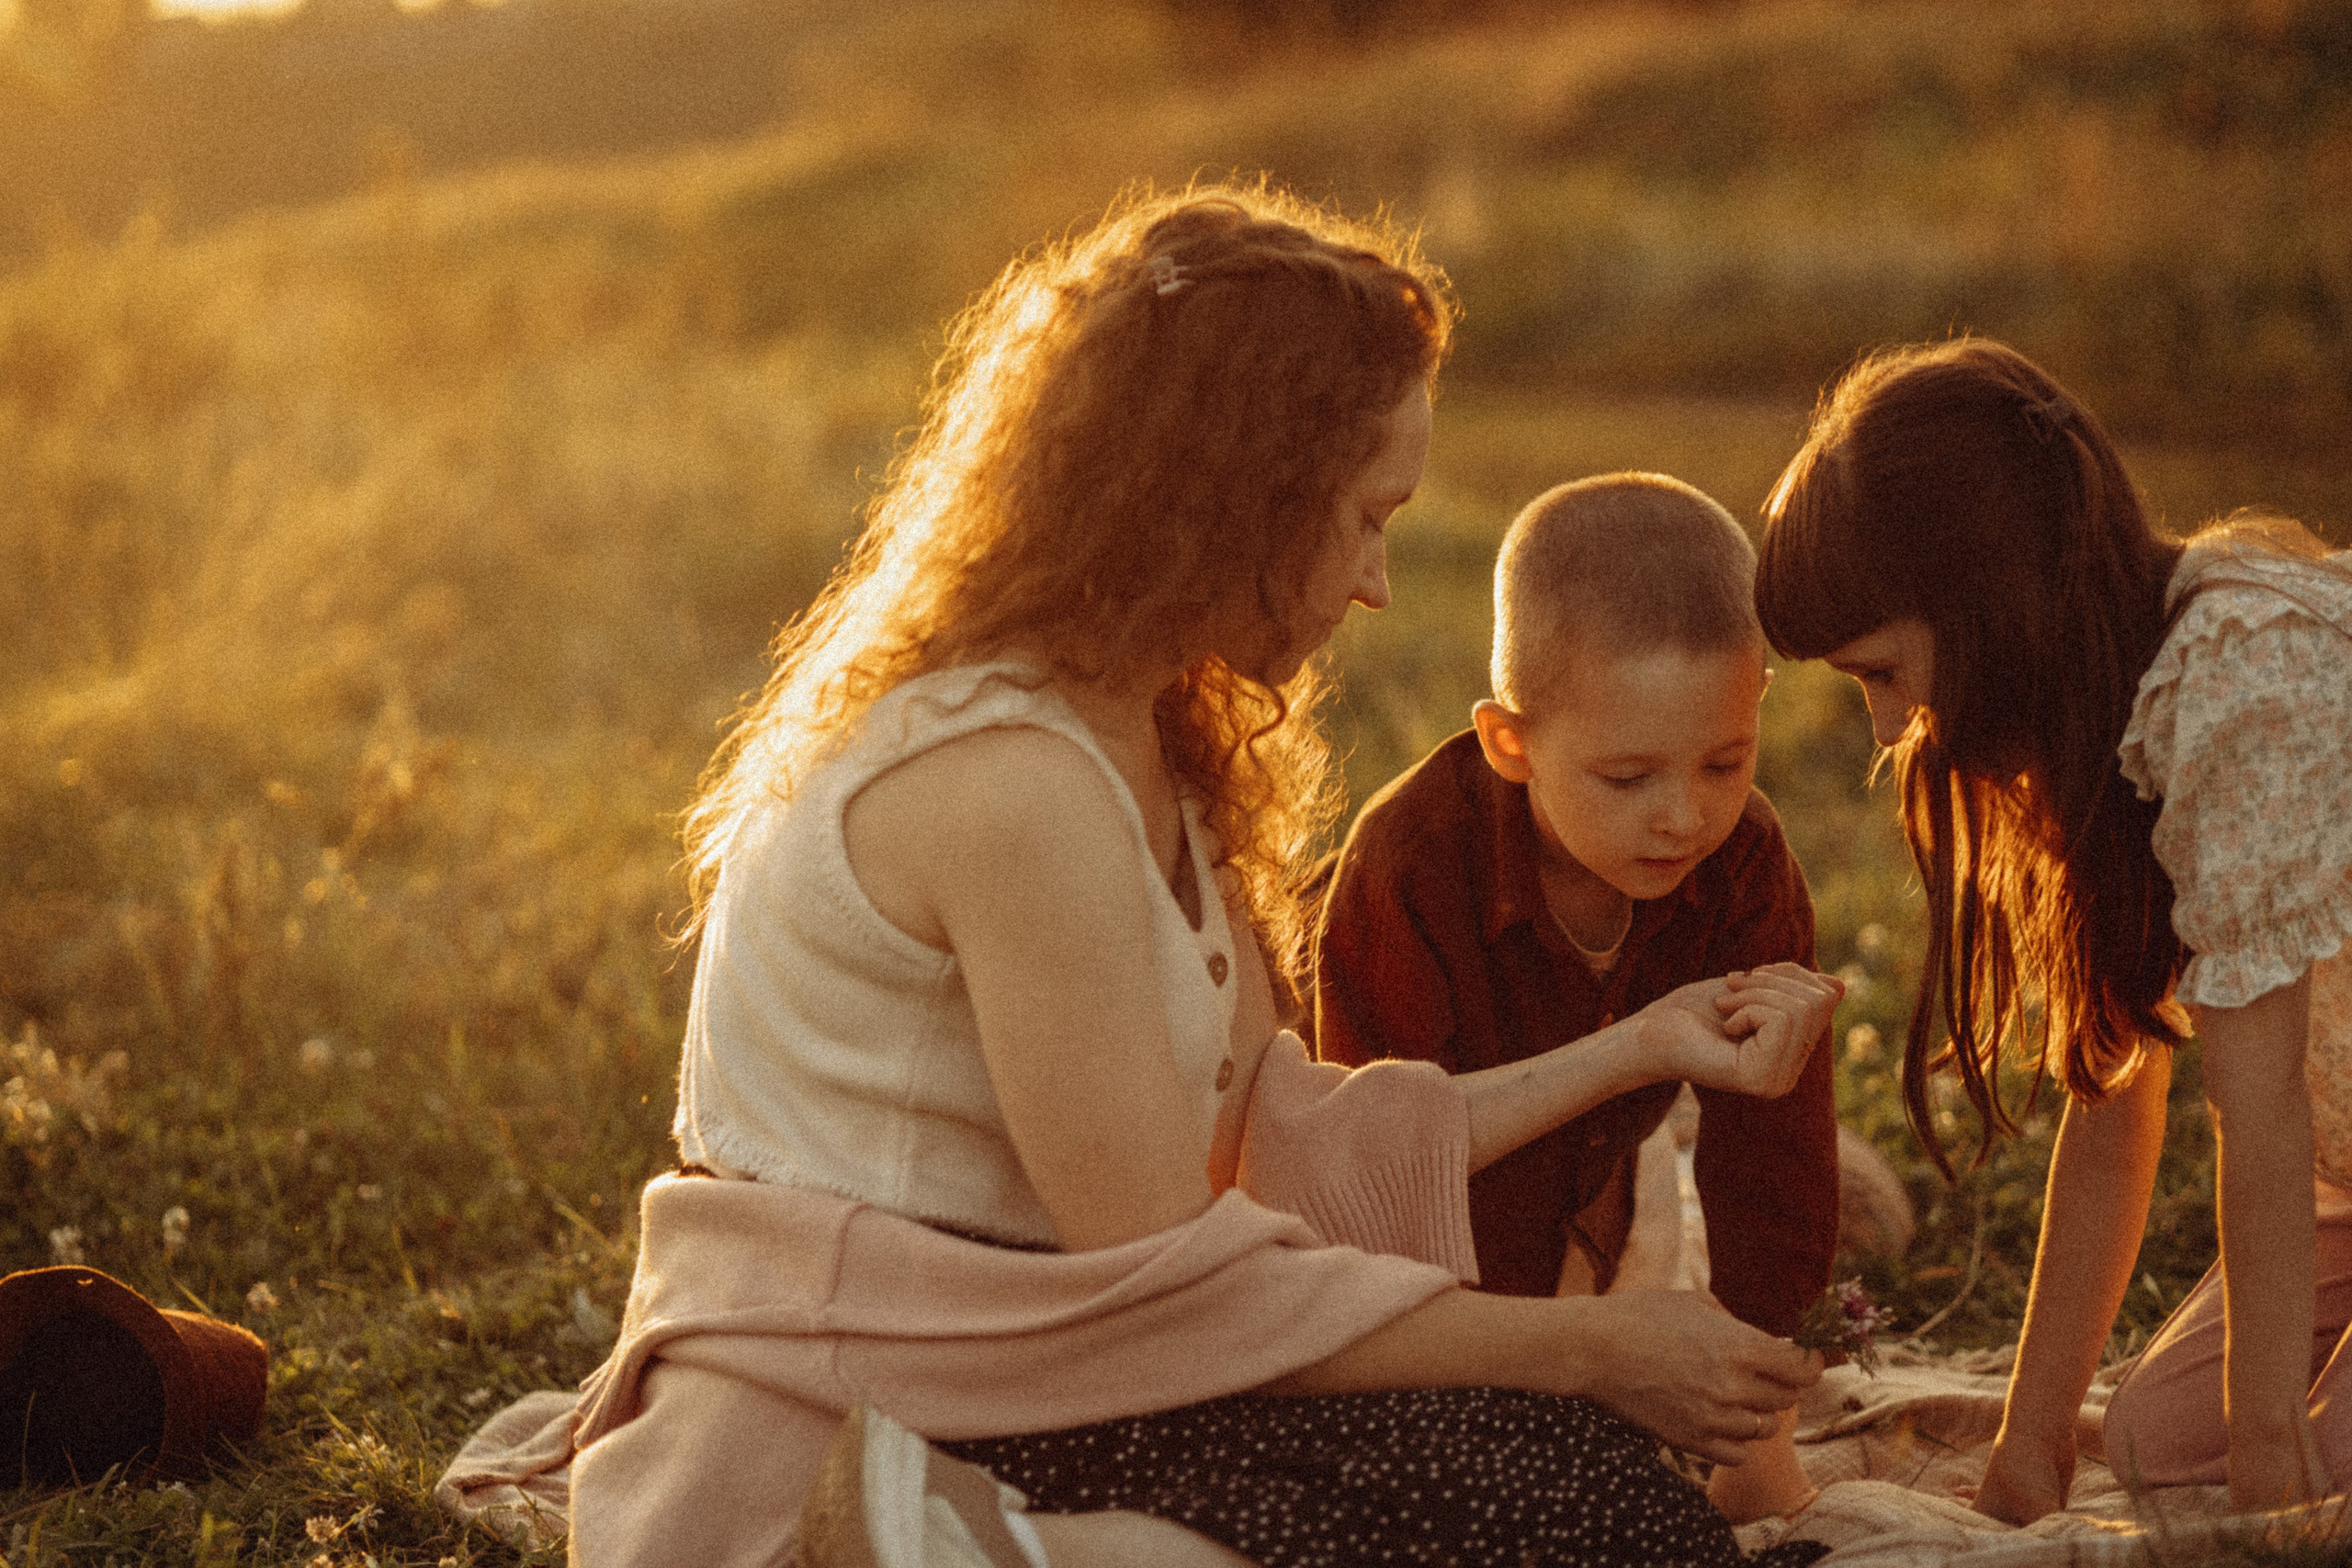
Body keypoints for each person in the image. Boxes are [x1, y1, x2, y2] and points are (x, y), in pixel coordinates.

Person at [463, 186, 1845, 1568]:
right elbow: (1170, 1285)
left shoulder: (1150, 735)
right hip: (893, 1375)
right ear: (1236, 500)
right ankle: (930, 1539)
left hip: (1054, 1352)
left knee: (1606, 1505)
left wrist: (1638, 1047)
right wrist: (1583, 1345)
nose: (1376, 582)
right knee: (1564, 1507)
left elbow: (1277, 1137)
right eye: (1365, 519)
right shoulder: (1010, 786)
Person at [1751, 336, 2352, 1524]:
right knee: (2150, 1444)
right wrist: (2030, 1449)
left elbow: (2263, 1114)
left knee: (2303, 1469)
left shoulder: (2243, 686)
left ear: (1988, 607)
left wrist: (2271, 1463)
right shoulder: (2118, 713)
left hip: (2309, 1155)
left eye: (1882, 672)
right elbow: (2112, 1110)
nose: (1885, 729)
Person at [1313, 472, 1841, 1525]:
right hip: (1389, 1266)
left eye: (1725, 762)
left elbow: (1773, 1158)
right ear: (1510, 742)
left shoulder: (1744, 863)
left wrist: (1758, 1434)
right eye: (1627, 778)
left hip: (1586, 1218)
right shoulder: (1411, 865)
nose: (1682, 817)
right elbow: (1366, 1173)